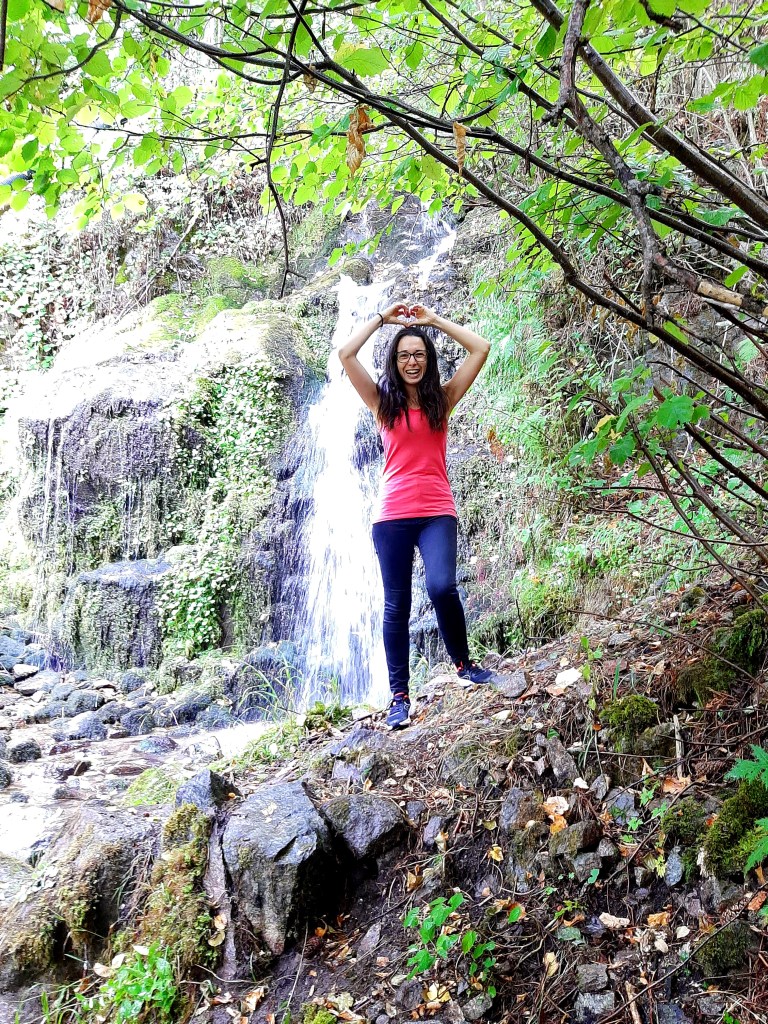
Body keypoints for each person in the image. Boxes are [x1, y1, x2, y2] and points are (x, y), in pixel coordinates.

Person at [338, 300, 493, 728]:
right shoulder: (380, 403)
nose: (412, 362)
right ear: (395, 361)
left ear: (428, 360)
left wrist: (433, 320)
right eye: (404, 355)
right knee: (397, 605)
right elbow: (346, 355)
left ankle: (464, 665)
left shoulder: (443, 400)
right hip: (391, 517)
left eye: (419, 354)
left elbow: (480, 348)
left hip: (437, 510)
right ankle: (399, 696)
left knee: (442, 586)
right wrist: (383, 319)